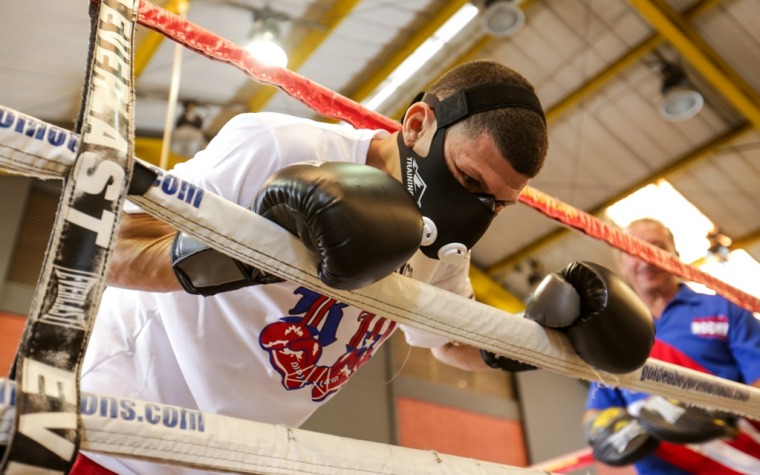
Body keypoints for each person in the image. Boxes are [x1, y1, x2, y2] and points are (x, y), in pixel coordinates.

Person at [76, 60, 649, 475]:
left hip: (233, 459)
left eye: (497, 203)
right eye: (468, 179)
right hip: (120, 431)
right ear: (419, 123)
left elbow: (449, 342)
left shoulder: (445, 250)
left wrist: (543, 342)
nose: (472, 210)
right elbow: (112, 242)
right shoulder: (279, 147)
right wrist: (257, 256)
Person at [583, 218, 760, 474]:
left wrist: (719, 409)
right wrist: (603, 430)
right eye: (632, 249)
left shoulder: (723, 309)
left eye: (656, 246)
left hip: (741, 464)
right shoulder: (613, 337)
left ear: (675, 256)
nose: (645, 257)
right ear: (621, 264)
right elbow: (597, 414)